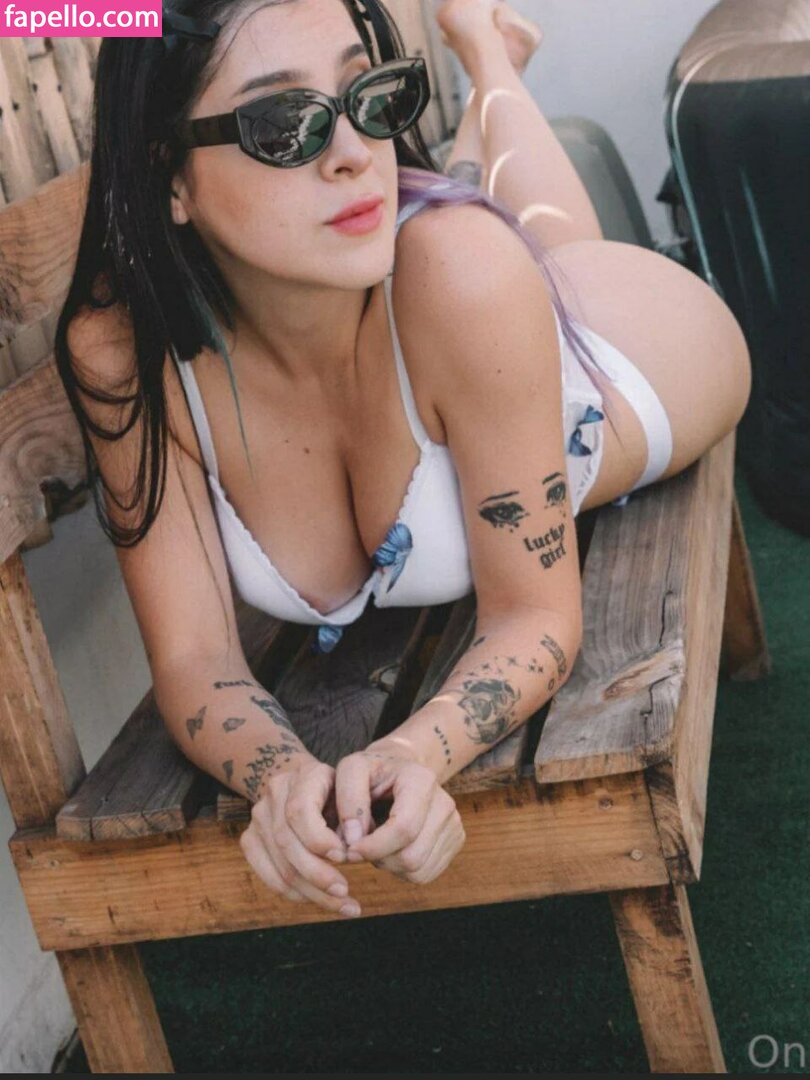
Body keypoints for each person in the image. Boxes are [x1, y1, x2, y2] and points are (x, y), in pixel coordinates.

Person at [55, 0, 752, 921]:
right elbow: (192, 655)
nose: (354, 151)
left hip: (636, 344)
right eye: (284, 124)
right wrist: (282, 776)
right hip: (454, 322)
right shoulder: (123, 353)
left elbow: (535, 614)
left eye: (369, 95)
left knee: (554, 251)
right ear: (168, 177)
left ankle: (488, 60)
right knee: (489, 229)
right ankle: (490, 70)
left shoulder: (464, 276)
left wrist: (415, 750)